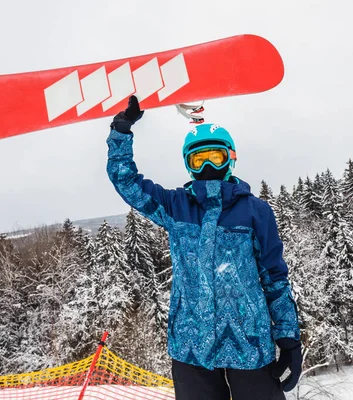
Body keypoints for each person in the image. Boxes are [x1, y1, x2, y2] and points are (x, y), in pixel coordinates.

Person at [106, 96, 302, 400]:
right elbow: (127, 183)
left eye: (216, 157)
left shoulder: (255, 212)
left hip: (249, 346)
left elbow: (274, 277)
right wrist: (122, 131)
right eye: (199, 159)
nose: (208, 165)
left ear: (230, 158)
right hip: (191, 348)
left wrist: (288, 336)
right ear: (188, 164)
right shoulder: (176, 206)